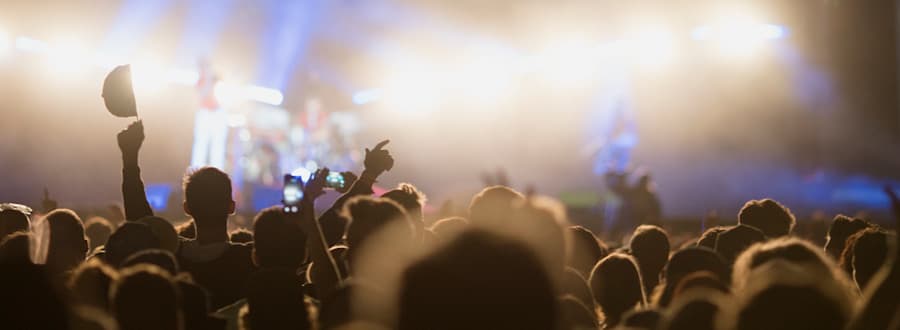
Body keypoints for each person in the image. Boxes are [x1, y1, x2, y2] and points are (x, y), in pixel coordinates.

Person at [118, 120, 256, 309]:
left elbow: (141, 224)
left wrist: (130, 160)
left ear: (187, 208)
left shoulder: (171, 258)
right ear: (231, 206)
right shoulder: (249, 260)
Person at [191, 59, 227, 169]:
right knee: (200, 144)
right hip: (204, 113)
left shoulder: (217, 78)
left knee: (217, 146)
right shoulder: (200, 81)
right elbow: (202, 94)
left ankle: (217, 171)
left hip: (217, 113)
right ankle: (195, 171)